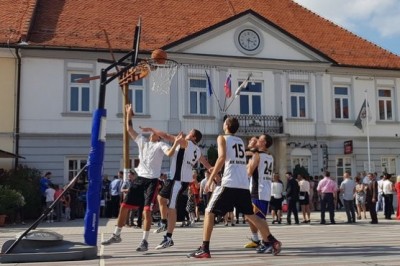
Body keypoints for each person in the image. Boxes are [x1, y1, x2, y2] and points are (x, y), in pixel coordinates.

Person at [187, 117, 281, 258]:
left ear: (225, 125)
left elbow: (222, 157)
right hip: (242, 185)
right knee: (251, 215)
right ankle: (272, 241)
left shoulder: (222, 138)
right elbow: (233, 160)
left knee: (208, 212)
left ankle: (204, 248)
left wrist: (211, 178)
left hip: (229, 183)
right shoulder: (240, 142)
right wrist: (220, 167)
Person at [102, 104, 177, 251]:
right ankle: (117, 234)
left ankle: (144, 241)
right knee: (124, 206)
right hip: (139, 178)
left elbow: (169, 154)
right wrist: (128, 114)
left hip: (151, 181)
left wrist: (174, 144)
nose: (152, 133)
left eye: (155, 132)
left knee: (146, 211)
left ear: (159, 136)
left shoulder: (161, 145)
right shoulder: (142, 141)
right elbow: (129, 128)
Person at [140, 126, 211, 250]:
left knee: (172, 207)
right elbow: (206, 164)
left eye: (190, 133)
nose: (187, 134)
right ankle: (163, 222)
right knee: (161, 197)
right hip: (177, 180)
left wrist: (152, 129)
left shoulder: (186, 143)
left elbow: (167, 136)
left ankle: (168, 238)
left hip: (178, 181)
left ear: (193, 137)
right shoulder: (198, 150)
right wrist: (212, 169)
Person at [244, 134, 274, 248]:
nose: (256, 141)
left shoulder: (258, 155)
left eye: (259, 140)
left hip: (258, 190)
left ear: (264, 143)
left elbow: (248, 172)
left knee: (259, 219)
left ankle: (267, 242)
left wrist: (250, 147)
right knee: (250, 216)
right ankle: (257, 239)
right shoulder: (269, 156)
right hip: (263, 189)